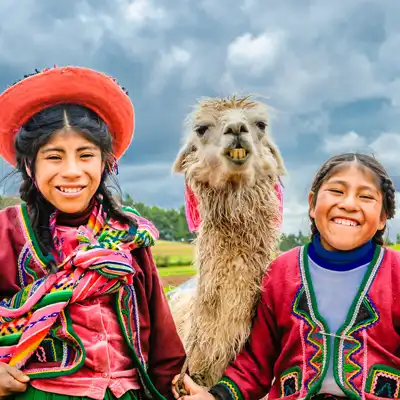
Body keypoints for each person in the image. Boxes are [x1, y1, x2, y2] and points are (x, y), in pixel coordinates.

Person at [0, 66, 185, 400]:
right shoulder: (8, 232)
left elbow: (160, 333)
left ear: (105, 163)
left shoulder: (127, 236)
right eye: (54, 157)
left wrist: (174, 387)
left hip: (127, 392)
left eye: (85, 155)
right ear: (30, 165)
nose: (72, 172)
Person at [172, 152, 399, 400]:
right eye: (337, 191)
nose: (349, 204)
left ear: (382, 219)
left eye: (366, 196)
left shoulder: (395, 274)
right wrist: (216, 396)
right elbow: (255, 364)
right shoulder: (282, 272)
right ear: (312, 205)